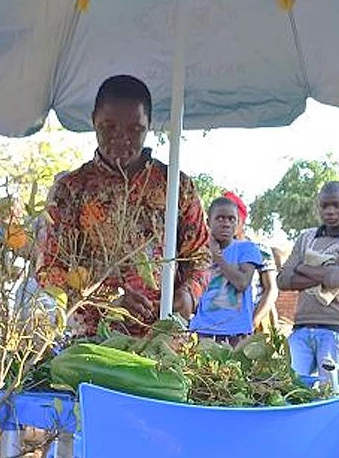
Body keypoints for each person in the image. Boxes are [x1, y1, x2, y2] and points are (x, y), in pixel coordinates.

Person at [38, 75, 210, 335]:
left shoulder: (176, 186)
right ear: (93, 120)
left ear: (149, 126)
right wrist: (107, 301)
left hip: (161, 336)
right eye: (108, 127)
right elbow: (49, 269)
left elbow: (200, 256)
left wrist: (188, 295)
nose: (121, 139)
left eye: (135, 129)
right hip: (93, 339)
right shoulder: (71, 190)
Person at [277, 181, 339, 394]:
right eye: (325, 206)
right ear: (318, 207)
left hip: (335, 330)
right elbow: (282, 280)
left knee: (329, 394)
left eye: (337, 205)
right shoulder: (306, 238)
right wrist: (325, 274)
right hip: (301, 327)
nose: (330, 211)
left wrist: (302, 268)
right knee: (291, 390)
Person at [189, 197, 263, 345]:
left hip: (236, 332)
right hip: (204, 331)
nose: (226, 224)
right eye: (220, 218)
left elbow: (242, 283)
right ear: (208, 222)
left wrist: (218, 258)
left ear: (237, 223)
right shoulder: (197, 251)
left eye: (231, 219)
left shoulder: (247, 249)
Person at [221, 191, 279, 333]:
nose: (228, 224)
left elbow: (271, 289)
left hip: (254, 324)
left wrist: (253, 322)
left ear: (242, 220)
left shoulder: (260, 250)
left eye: (233, 218)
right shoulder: (214, 253)